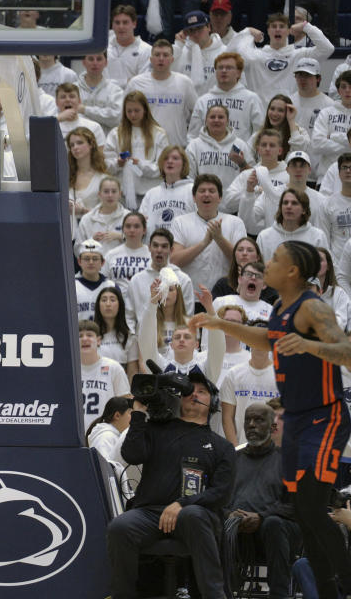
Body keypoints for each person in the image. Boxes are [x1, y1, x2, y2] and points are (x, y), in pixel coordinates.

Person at [191, 240, 351, 598]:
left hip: (324, 419)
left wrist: (309, 345)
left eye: (276, 259)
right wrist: (220, 324)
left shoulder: (313, 308)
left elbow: (347, 352)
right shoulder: (281, 306)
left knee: (311, 507)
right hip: (294, 420)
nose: (266, 263)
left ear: (293, 271)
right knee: (304, 512)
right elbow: (268, 337)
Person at [106, 368, 235, 599]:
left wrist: (182, 504)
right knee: (119, 527)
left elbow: (222, 494)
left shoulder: (222, 446)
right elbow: (132, 455)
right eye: (189, 391)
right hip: (150, 513)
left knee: (192, 514)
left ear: (213, 401)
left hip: (195, 516)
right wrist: (137, 414)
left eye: (202, 391)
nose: (194, 394)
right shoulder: (157, 429)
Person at [225, 403, 301, 599]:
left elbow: (296, 507)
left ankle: (279, 595)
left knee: (273, 523)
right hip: (237, 533)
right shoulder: (231, 460)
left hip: (278, 534)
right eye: (248, 420)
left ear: (271, 426)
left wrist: (261, 516)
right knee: (208, 520)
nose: (252, 425)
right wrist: (230, 515)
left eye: (259, 420)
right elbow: (217, 499)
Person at [126, 39, 198, 146]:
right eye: (157, 55)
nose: (161, 59)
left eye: (165, 55)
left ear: (172, 59)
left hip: (176, 147)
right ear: (150, 59)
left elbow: (197, 113)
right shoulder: (136, 83)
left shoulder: (184, 82)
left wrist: (192, 138)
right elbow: (124, 115)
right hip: (145, 147)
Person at [103, 91, 169, 208]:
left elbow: (162, 168)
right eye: (129, 111)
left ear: (145, 110)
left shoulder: (159, 133)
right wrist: (118, 163)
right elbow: (106, 166)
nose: (133, 115)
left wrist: (140, 164)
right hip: (122, 196)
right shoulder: (115, 134)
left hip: (151, 194)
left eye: (137, 110)